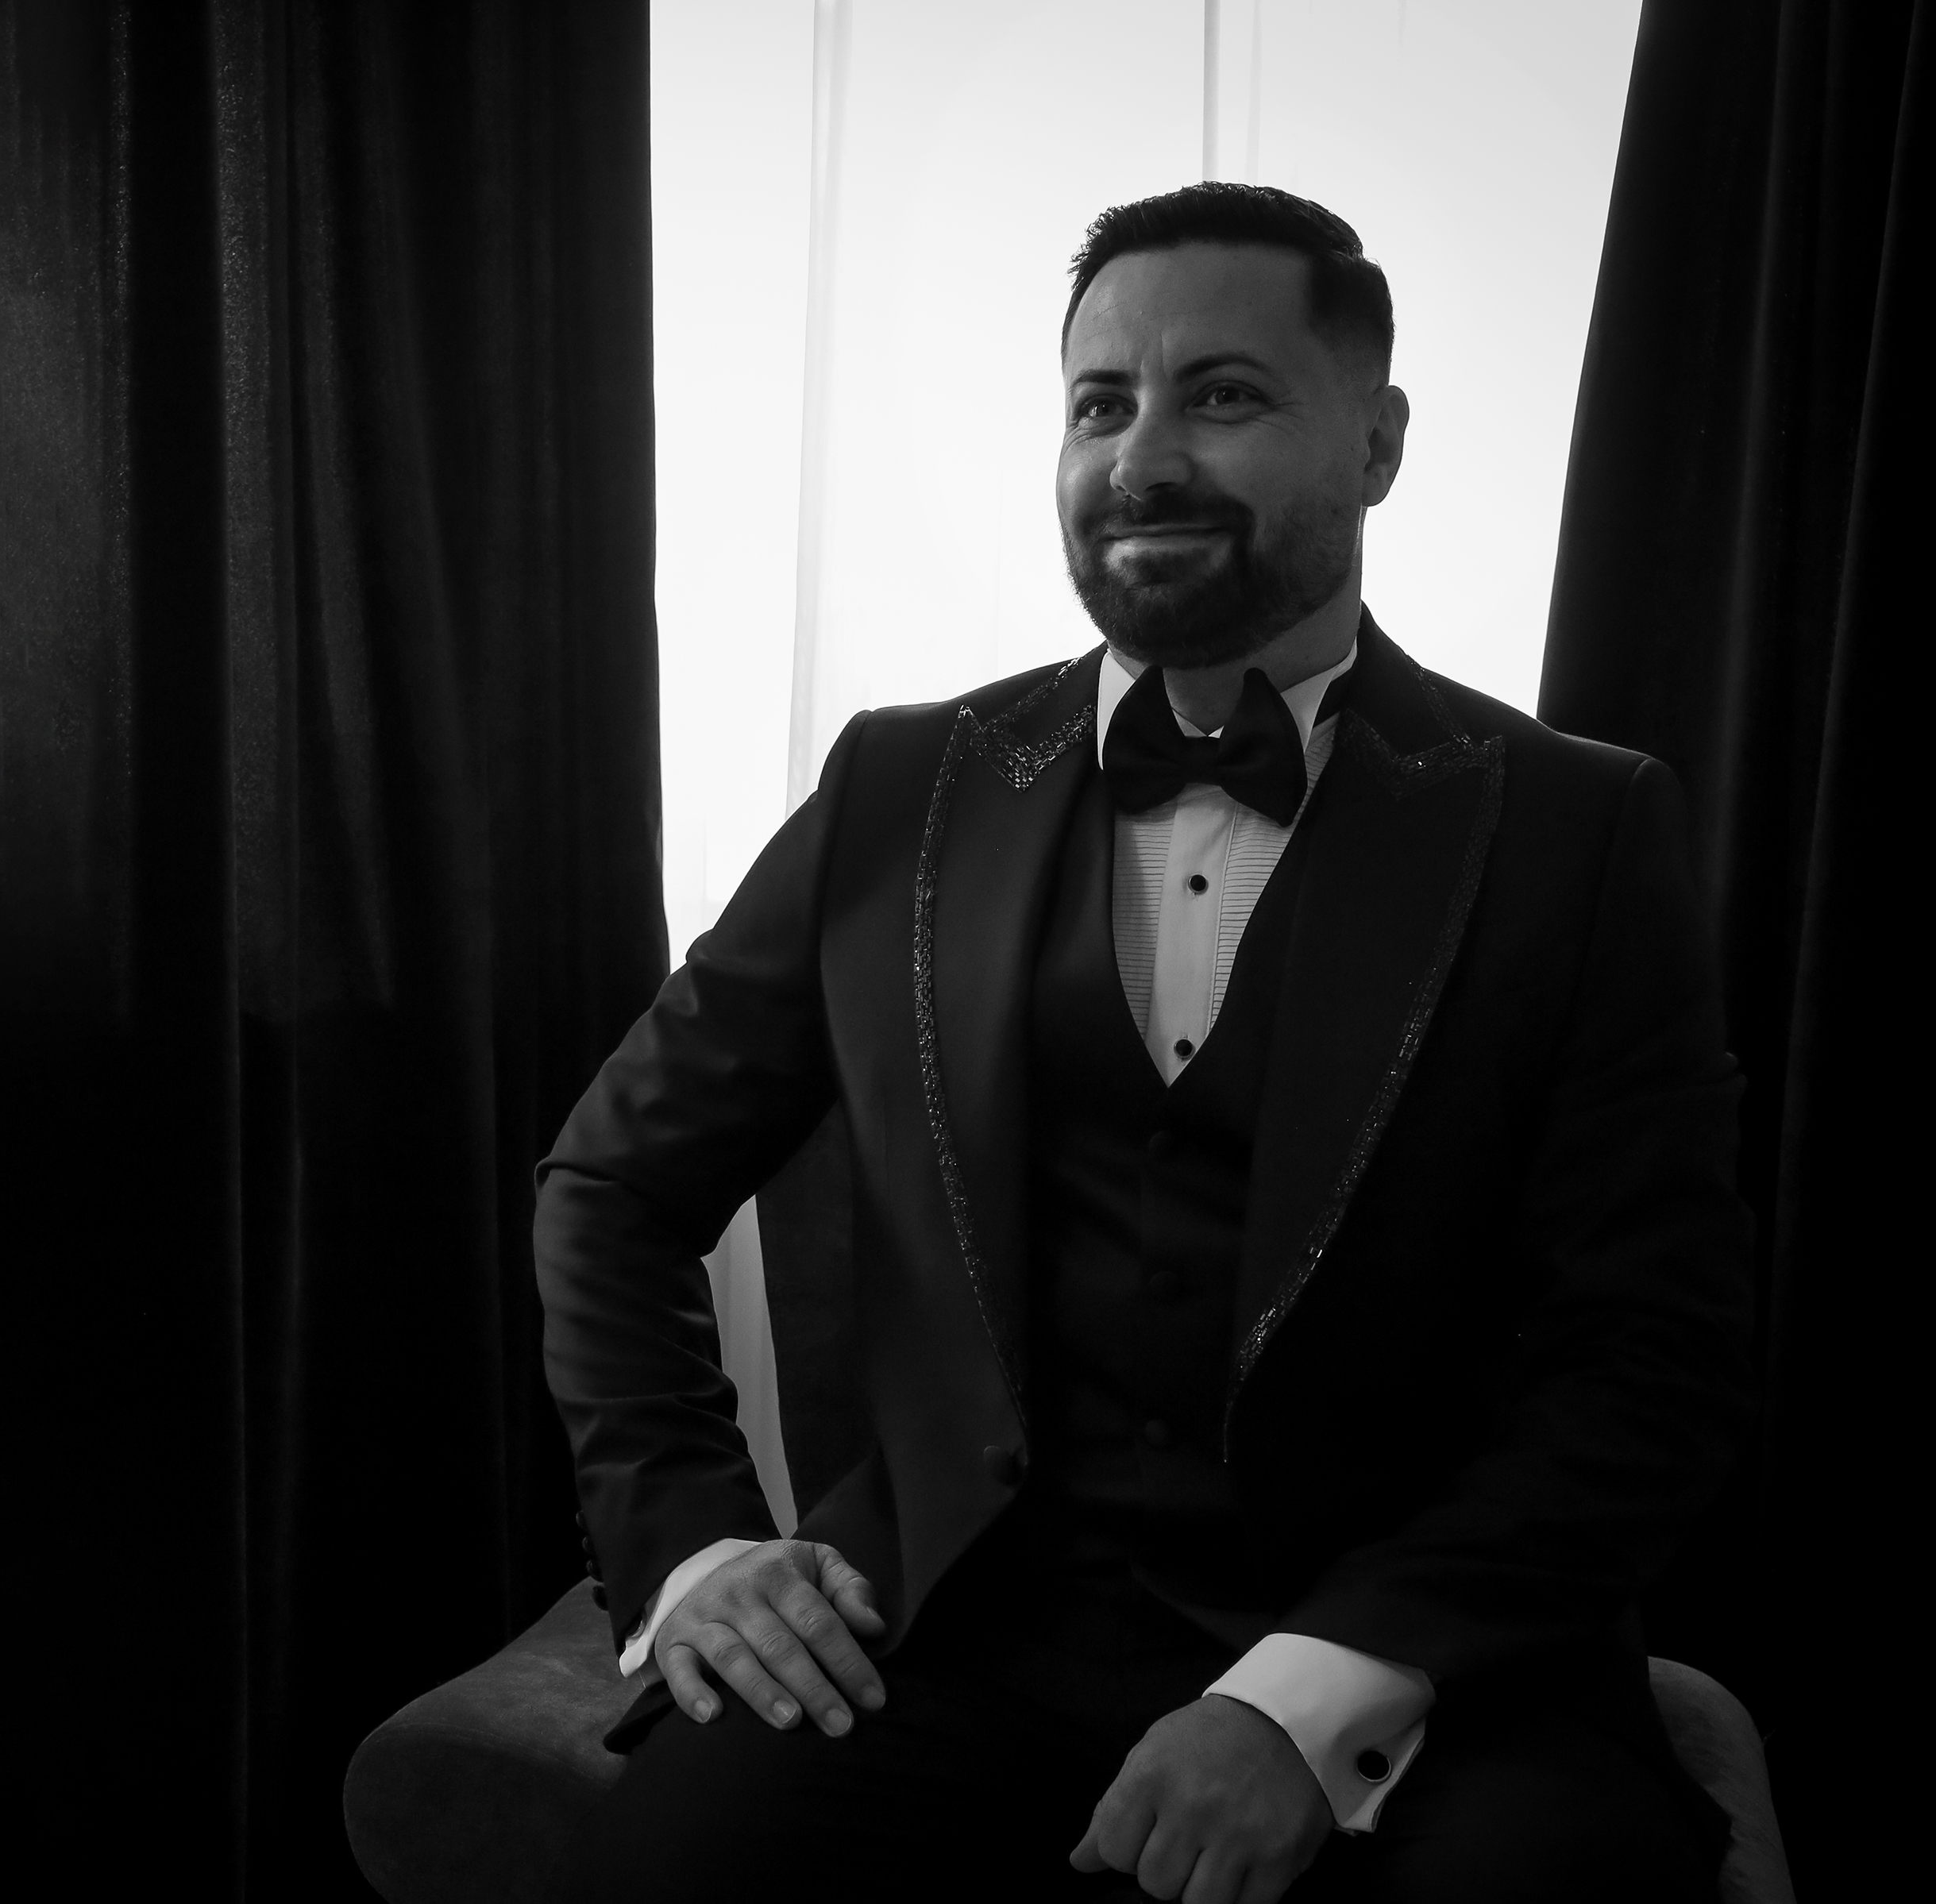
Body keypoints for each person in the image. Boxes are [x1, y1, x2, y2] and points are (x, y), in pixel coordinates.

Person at [537, 183, 1749, 1903]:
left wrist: (1303, 1696)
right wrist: (691, 1542)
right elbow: (610, 1184)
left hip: (1426, 1656)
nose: (1144, 457)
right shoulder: (901, 786)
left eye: (1223, 395)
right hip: (948, 1626)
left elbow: (1649, 1355)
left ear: (1379, 441)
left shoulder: (1578, 829)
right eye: (1100, 402)